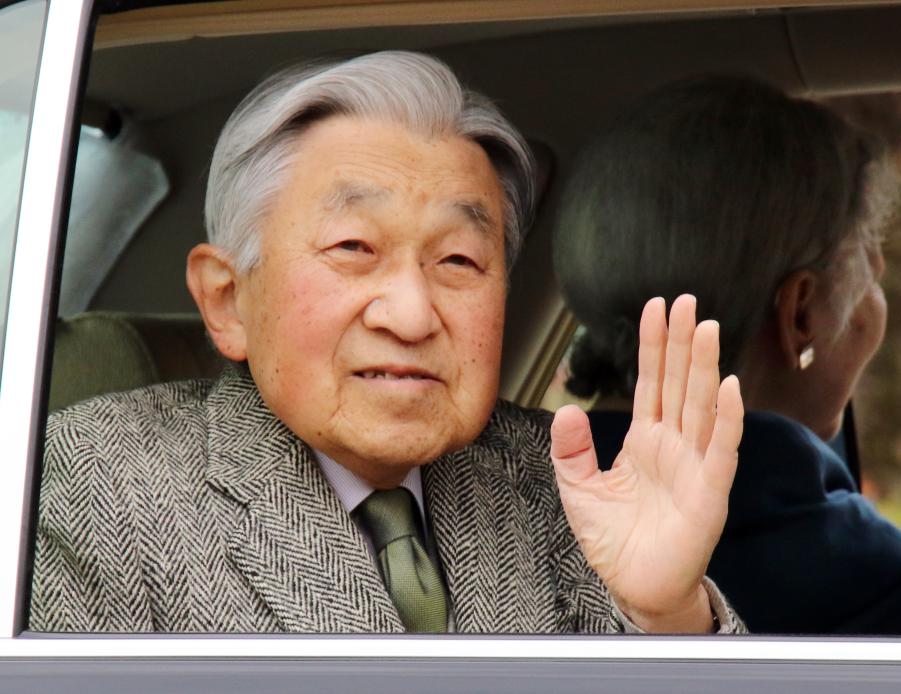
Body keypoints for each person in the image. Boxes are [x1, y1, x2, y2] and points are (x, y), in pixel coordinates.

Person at [30, 52, 746, 635]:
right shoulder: (87, 490)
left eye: (459, 261)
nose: (410, 315)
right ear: (228, 300)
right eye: (353, 247)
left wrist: (668, 618)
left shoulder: (563, 480)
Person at [553, 74, 901, 635]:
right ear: (801, 314)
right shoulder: (890, 589)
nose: (873, 305)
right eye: (871, 278)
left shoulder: (497, 506)